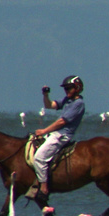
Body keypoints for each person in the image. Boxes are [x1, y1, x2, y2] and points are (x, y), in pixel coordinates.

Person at [29, 75, 85, 203]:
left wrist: (44, 131)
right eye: (65, 89)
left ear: (77, 88)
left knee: (39, 157)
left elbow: (62, 122)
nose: (66, 91)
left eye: (69, 88)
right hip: (55, 132)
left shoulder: (78, 103)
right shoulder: (67, 100)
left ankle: (43, 187)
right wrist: (45, 95)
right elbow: (50, 105)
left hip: (62, 134)